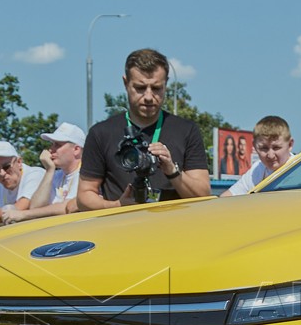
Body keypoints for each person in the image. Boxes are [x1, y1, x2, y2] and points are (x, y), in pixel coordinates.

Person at [79, 49, 211, 208]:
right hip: (122, 222)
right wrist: (117, 205)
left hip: (174, 223)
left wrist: (172, 171)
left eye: (156, 88)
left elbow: (203, 195)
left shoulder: (186, 130)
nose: (148, 97)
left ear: (166, 84)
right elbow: (84, 197)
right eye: (140, 88)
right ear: (126, 83)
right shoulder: (101, 133)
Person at [7, 124, 84, 222]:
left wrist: (23, 214)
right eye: (52, 144)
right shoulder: (57, 175)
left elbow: (66, 207)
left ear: (76, 150)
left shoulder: (86, 174)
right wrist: (49, 170)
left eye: (58, 145)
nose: (51, 150)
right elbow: (36, 207)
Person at [223, 116, 297, 195]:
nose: (270, 155)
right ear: (254, 146)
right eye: (264, 148)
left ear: (290, 144)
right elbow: (228, 196)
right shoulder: (257, 169)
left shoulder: (299, 170)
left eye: (276, 148)